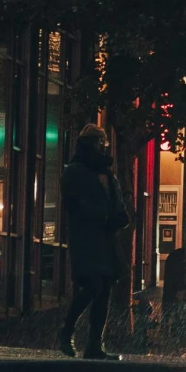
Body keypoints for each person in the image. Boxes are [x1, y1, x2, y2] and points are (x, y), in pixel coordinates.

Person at [59, 126, 129, 358]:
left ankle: (94, 345)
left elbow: (116, 203)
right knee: (93, 286)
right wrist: (102, 216)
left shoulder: (108, 175)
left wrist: (120, 217)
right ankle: (67, 331)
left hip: (106, 239)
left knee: (104, 291)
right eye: (99, 143)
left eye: (103, 143)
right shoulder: (75, 172)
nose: (102, 147)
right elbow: (75, 204)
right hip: (86, 239)